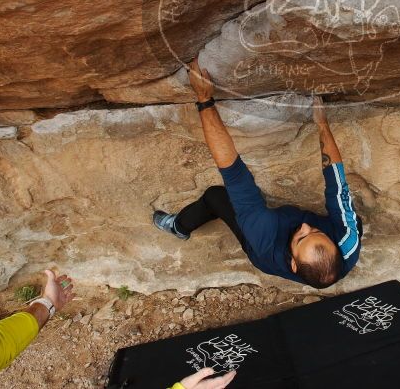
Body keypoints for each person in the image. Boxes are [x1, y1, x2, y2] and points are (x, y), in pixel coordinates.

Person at [153, 58, 362, 289]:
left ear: (293, 263)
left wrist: (204, 100)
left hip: (262, 244)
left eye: (301, 238)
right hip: (294, 233)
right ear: (335, 245)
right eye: (317, 231)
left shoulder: (265, 241)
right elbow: (337, 183)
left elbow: (234, 173)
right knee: (353, 219)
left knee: (215, 196)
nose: (305, 226)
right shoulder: (347, 243)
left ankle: (179, 227)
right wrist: (322, 124)